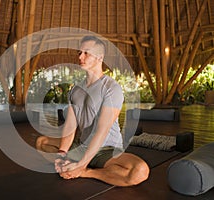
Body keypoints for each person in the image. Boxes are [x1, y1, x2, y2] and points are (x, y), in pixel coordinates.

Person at [36, 35, 149, 186]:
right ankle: (74, 163)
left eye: (86, 53)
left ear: (99, 57)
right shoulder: (75, 90)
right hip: (81, 146)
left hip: (106, 150)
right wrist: (61, 154)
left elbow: (102, 131)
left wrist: (81, 167)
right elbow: (70, 126)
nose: (80, 56)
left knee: (139, 171)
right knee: (41, 142)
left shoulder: (111, 88)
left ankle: (88, 172)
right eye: (79, 52)